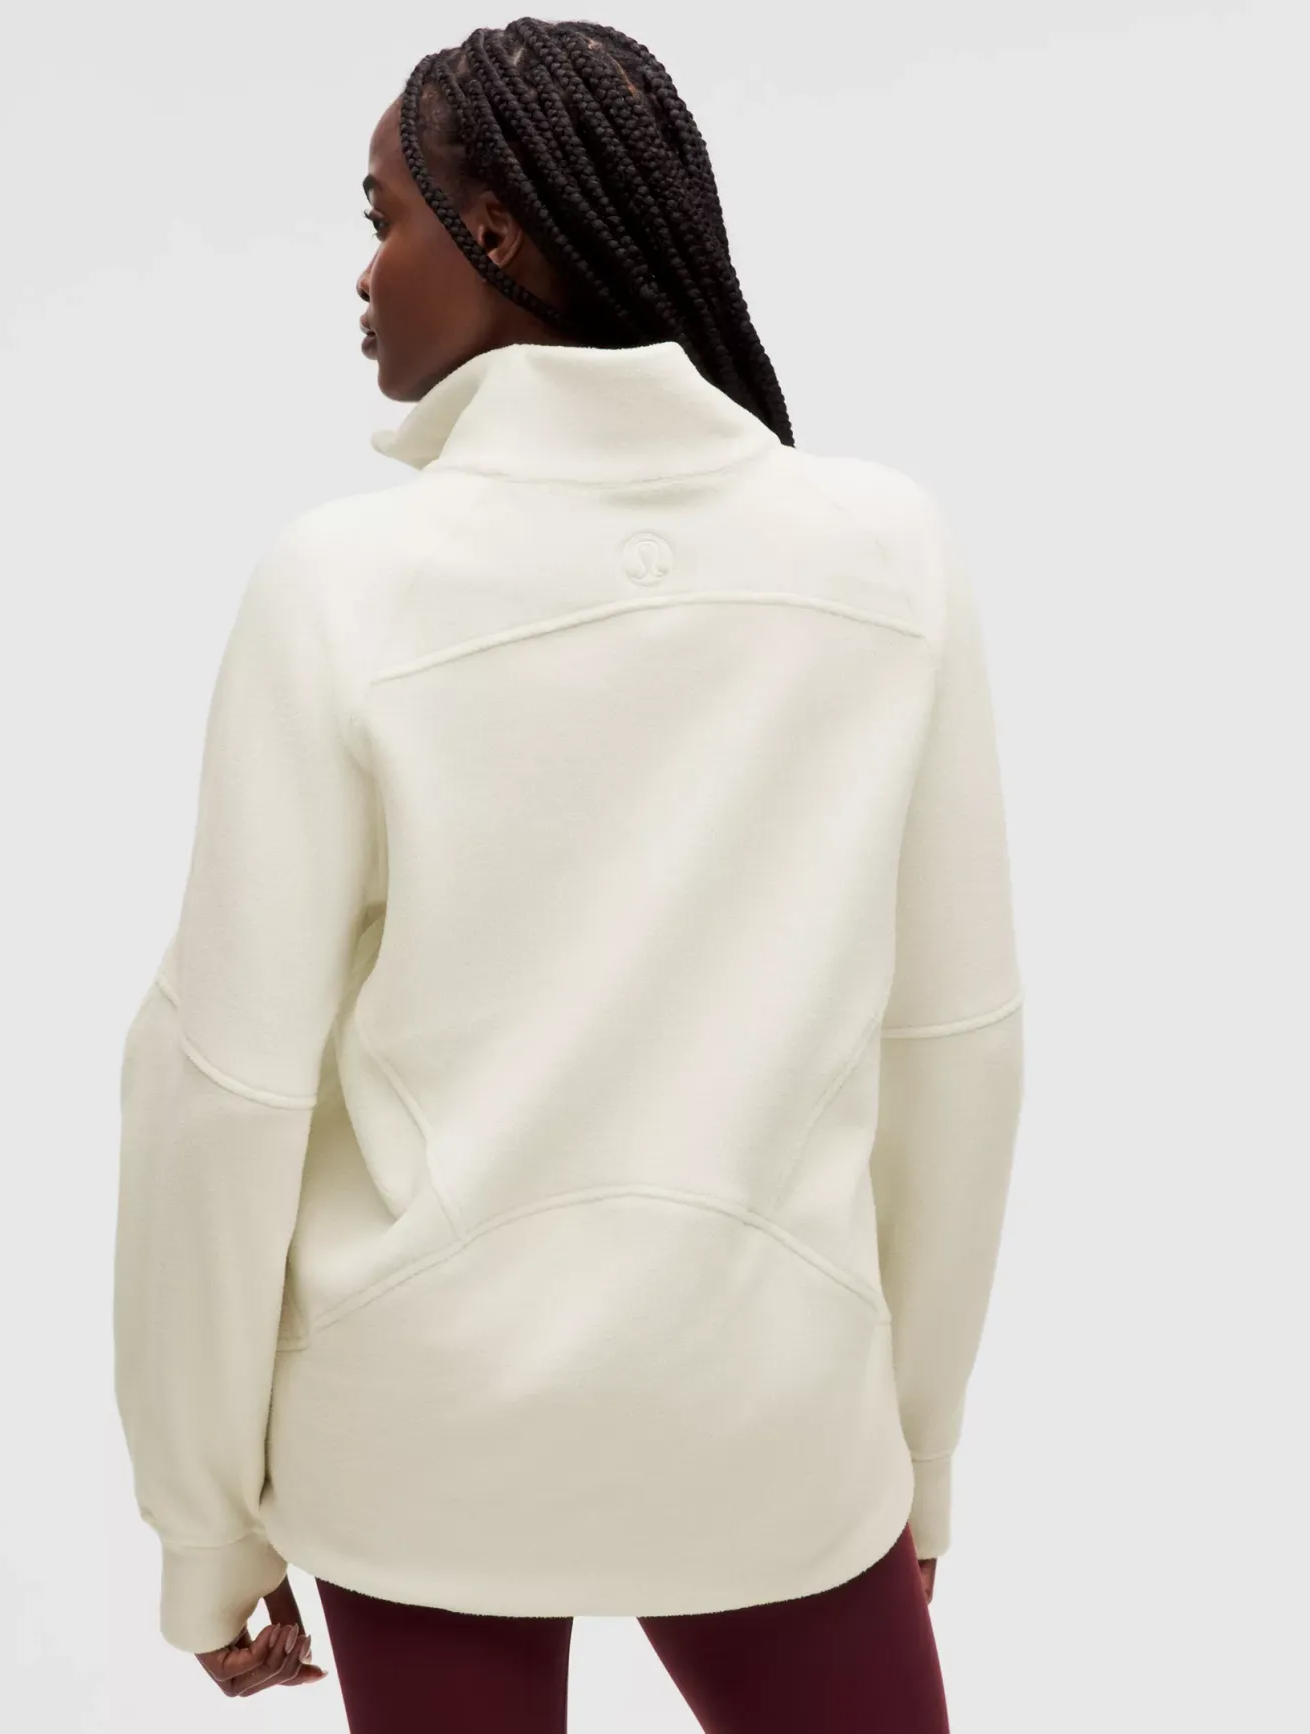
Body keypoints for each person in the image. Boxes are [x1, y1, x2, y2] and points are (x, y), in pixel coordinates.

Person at [111, 17, 1025, 1731]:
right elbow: (955, 1052)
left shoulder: (343, 585)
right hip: (775, 1424)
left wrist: (204, 1524)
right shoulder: (888, 556)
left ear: (499, 233)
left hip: (422, 1437)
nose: (362, 272)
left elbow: (223, 1095)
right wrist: (918, 1453)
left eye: (384, 216)